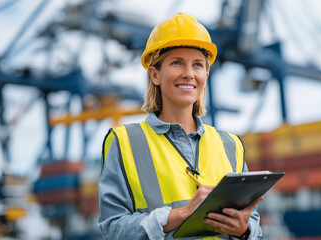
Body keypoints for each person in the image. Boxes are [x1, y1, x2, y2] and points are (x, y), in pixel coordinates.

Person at [98, 12, 263, 240]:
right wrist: (178, 215)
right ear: (155, 75)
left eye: (197, 65)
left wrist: (244, 230)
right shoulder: (124, 142)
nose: (188, 74)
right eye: (177, 63)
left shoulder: (231, 145)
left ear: (206, 75)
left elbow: (252, 223)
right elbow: (113, 228)